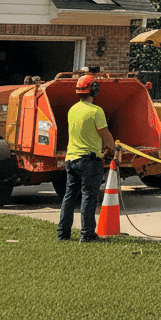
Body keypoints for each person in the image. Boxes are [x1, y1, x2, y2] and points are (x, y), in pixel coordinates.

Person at [57, 74, 116, 243]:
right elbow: (106, 135)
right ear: (94, 90)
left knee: (69, 196)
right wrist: (111, 149)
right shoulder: (96, 111)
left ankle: (63, 233)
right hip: (89, 161)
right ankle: (87, 234)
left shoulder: (72, 110)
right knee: (89, 196)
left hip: (71, 160)